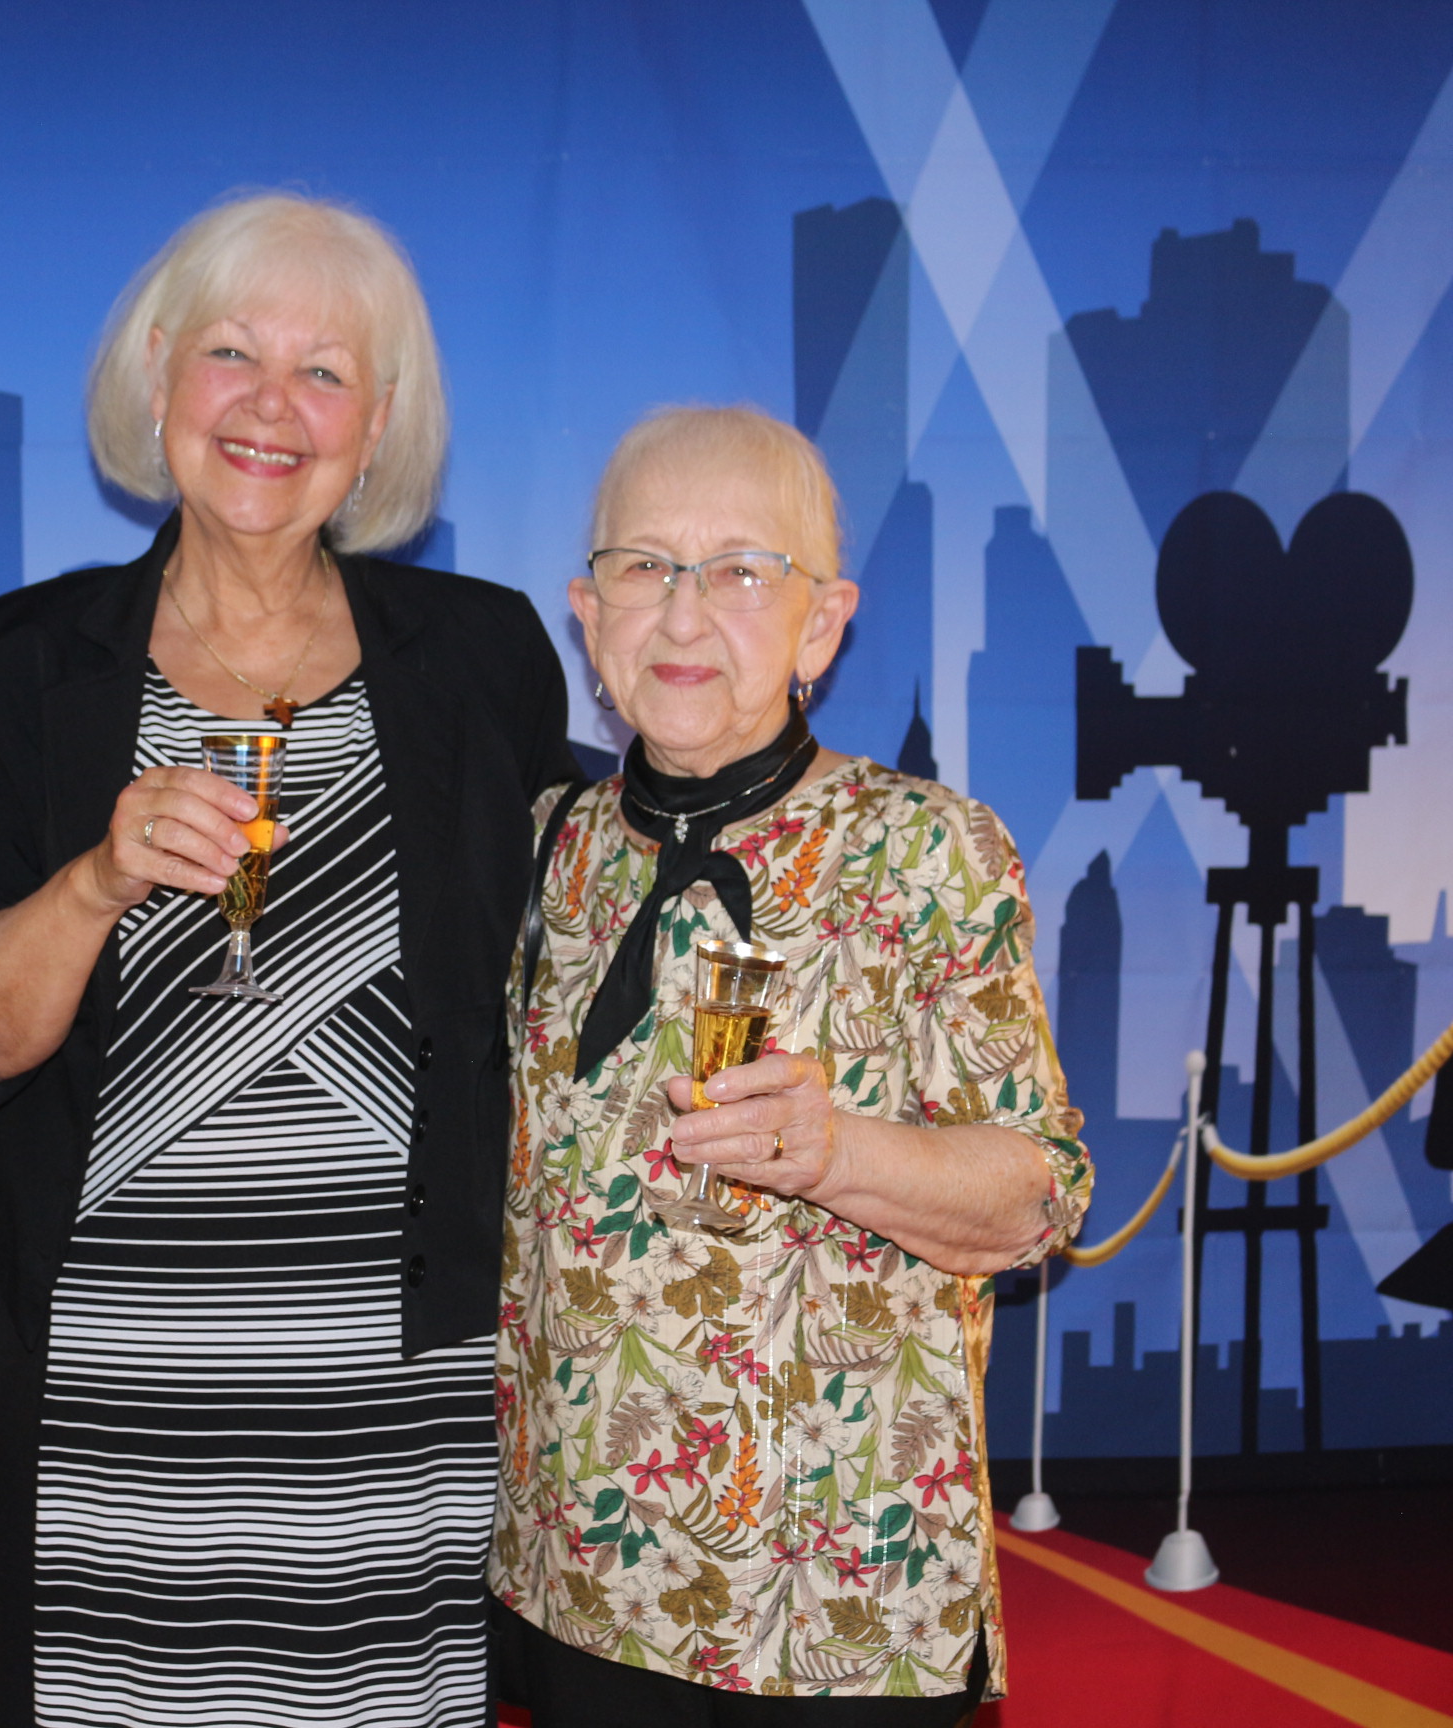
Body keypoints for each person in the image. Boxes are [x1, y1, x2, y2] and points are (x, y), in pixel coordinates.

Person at [0, 191, 578, 1728]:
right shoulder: (28, 664)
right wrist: (98, 877)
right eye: (232, 355)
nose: (273, 407)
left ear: (377, 425)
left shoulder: (483, 657)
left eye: (324, 372)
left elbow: (569, 966)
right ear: (158, 377)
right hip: (123, 1384)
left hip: (397, 1388)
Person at [489, 406, 1092, 1724]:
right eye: (646, 567)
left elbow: (1041, 1195)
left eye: (742, 573)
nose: (684, 614)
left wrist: (838, 1153)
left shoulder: (926, 851)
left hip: (843, 1596)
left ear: (823, 626)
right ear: (588, 615)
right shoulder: (541, 848)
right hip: (584, 1572)